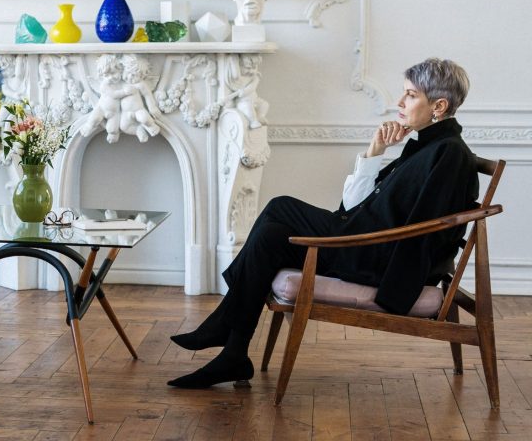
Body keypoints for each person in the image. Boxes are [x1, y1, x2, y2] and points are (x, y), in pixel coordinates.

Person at [168, 58, 478, 389]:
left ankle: (224, 323)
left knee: (280, 206)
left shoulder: (448, 154)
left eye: (410, 95)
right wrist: (376, 150)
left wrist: (394, 285)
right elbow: (355, 204)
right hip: (365, 241)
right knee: (273, 233)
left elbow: (424, 232)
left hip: (376, 255)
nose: (400, 103)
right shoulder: (425, 146)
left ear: (439, 105)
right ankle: (234, 353)